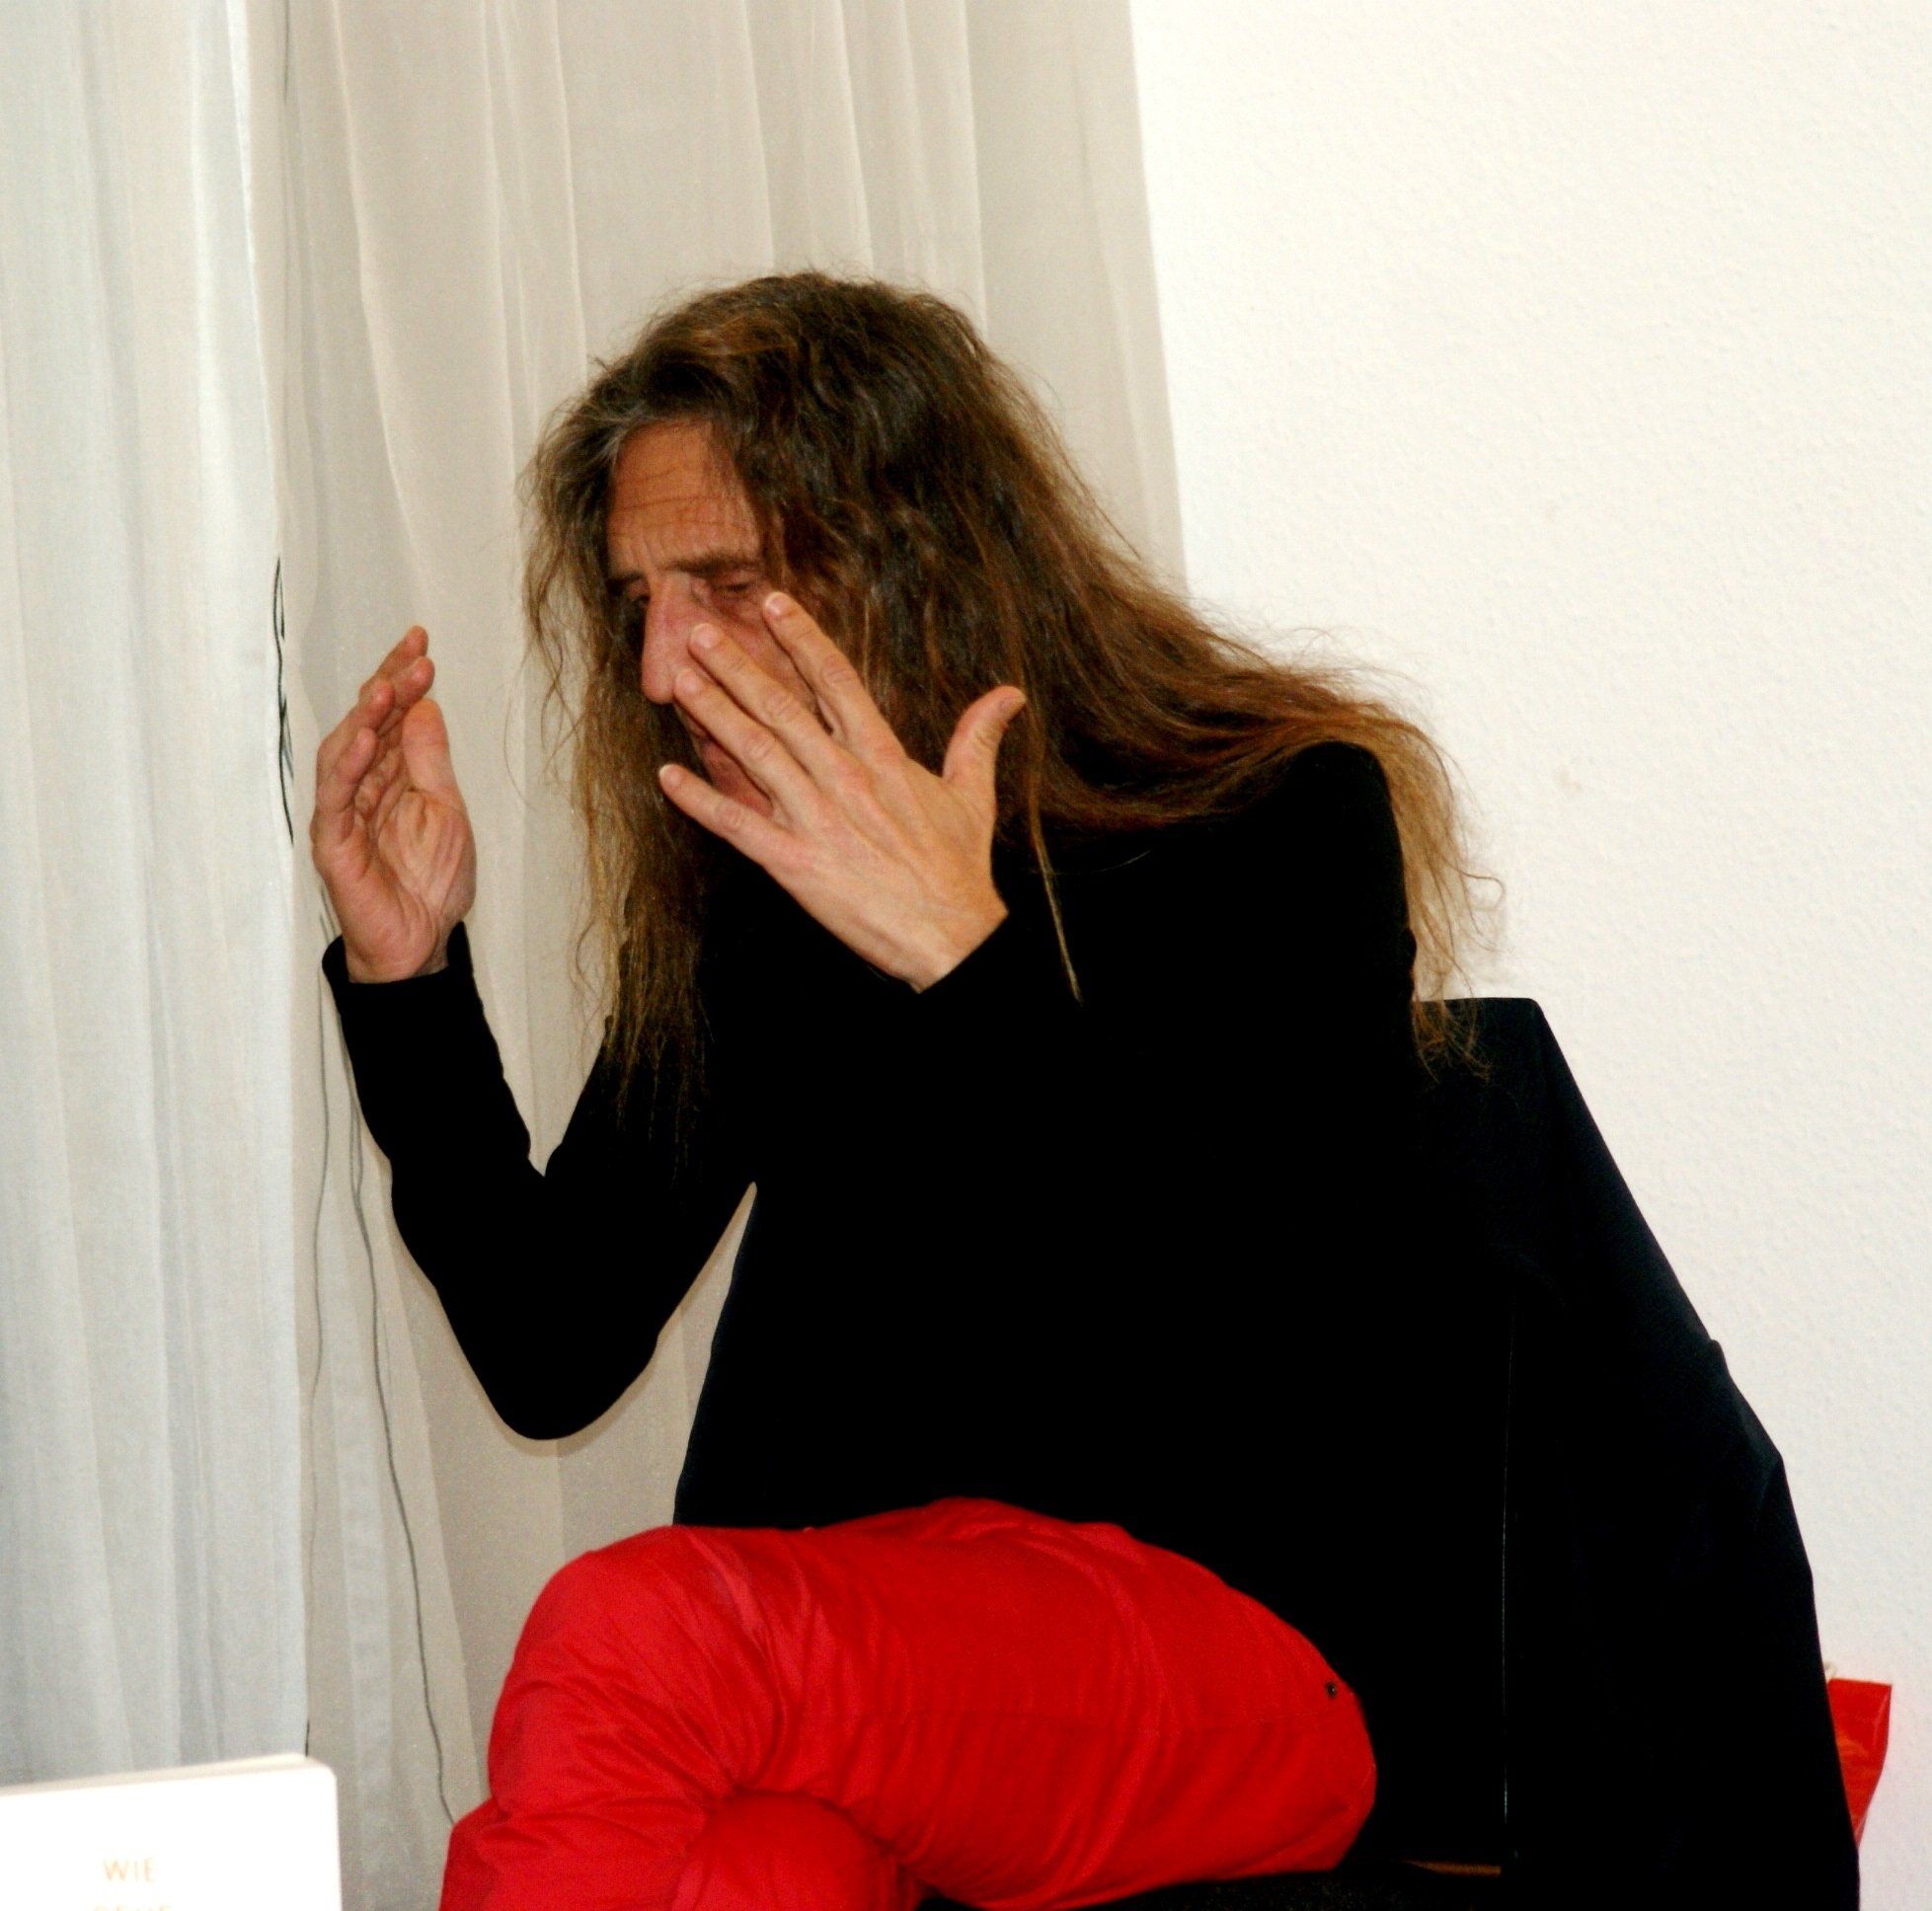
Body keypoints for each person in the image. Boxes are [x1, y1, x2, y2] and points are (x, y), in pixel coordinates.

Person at [308, 271, 1501, 1909]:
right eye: (638, 600)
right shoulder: (757, 889)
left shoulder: (1274, 813)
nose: (660, 665)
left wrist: (963, 955)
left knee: (627, 1623)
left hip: (1226, 1664)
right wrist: (411, 983)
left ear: (921, 547)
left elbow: (1256, 1326)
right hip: (869, 1684)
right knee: (747, 1871)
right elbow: (552, 1345)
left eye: (724, 583)